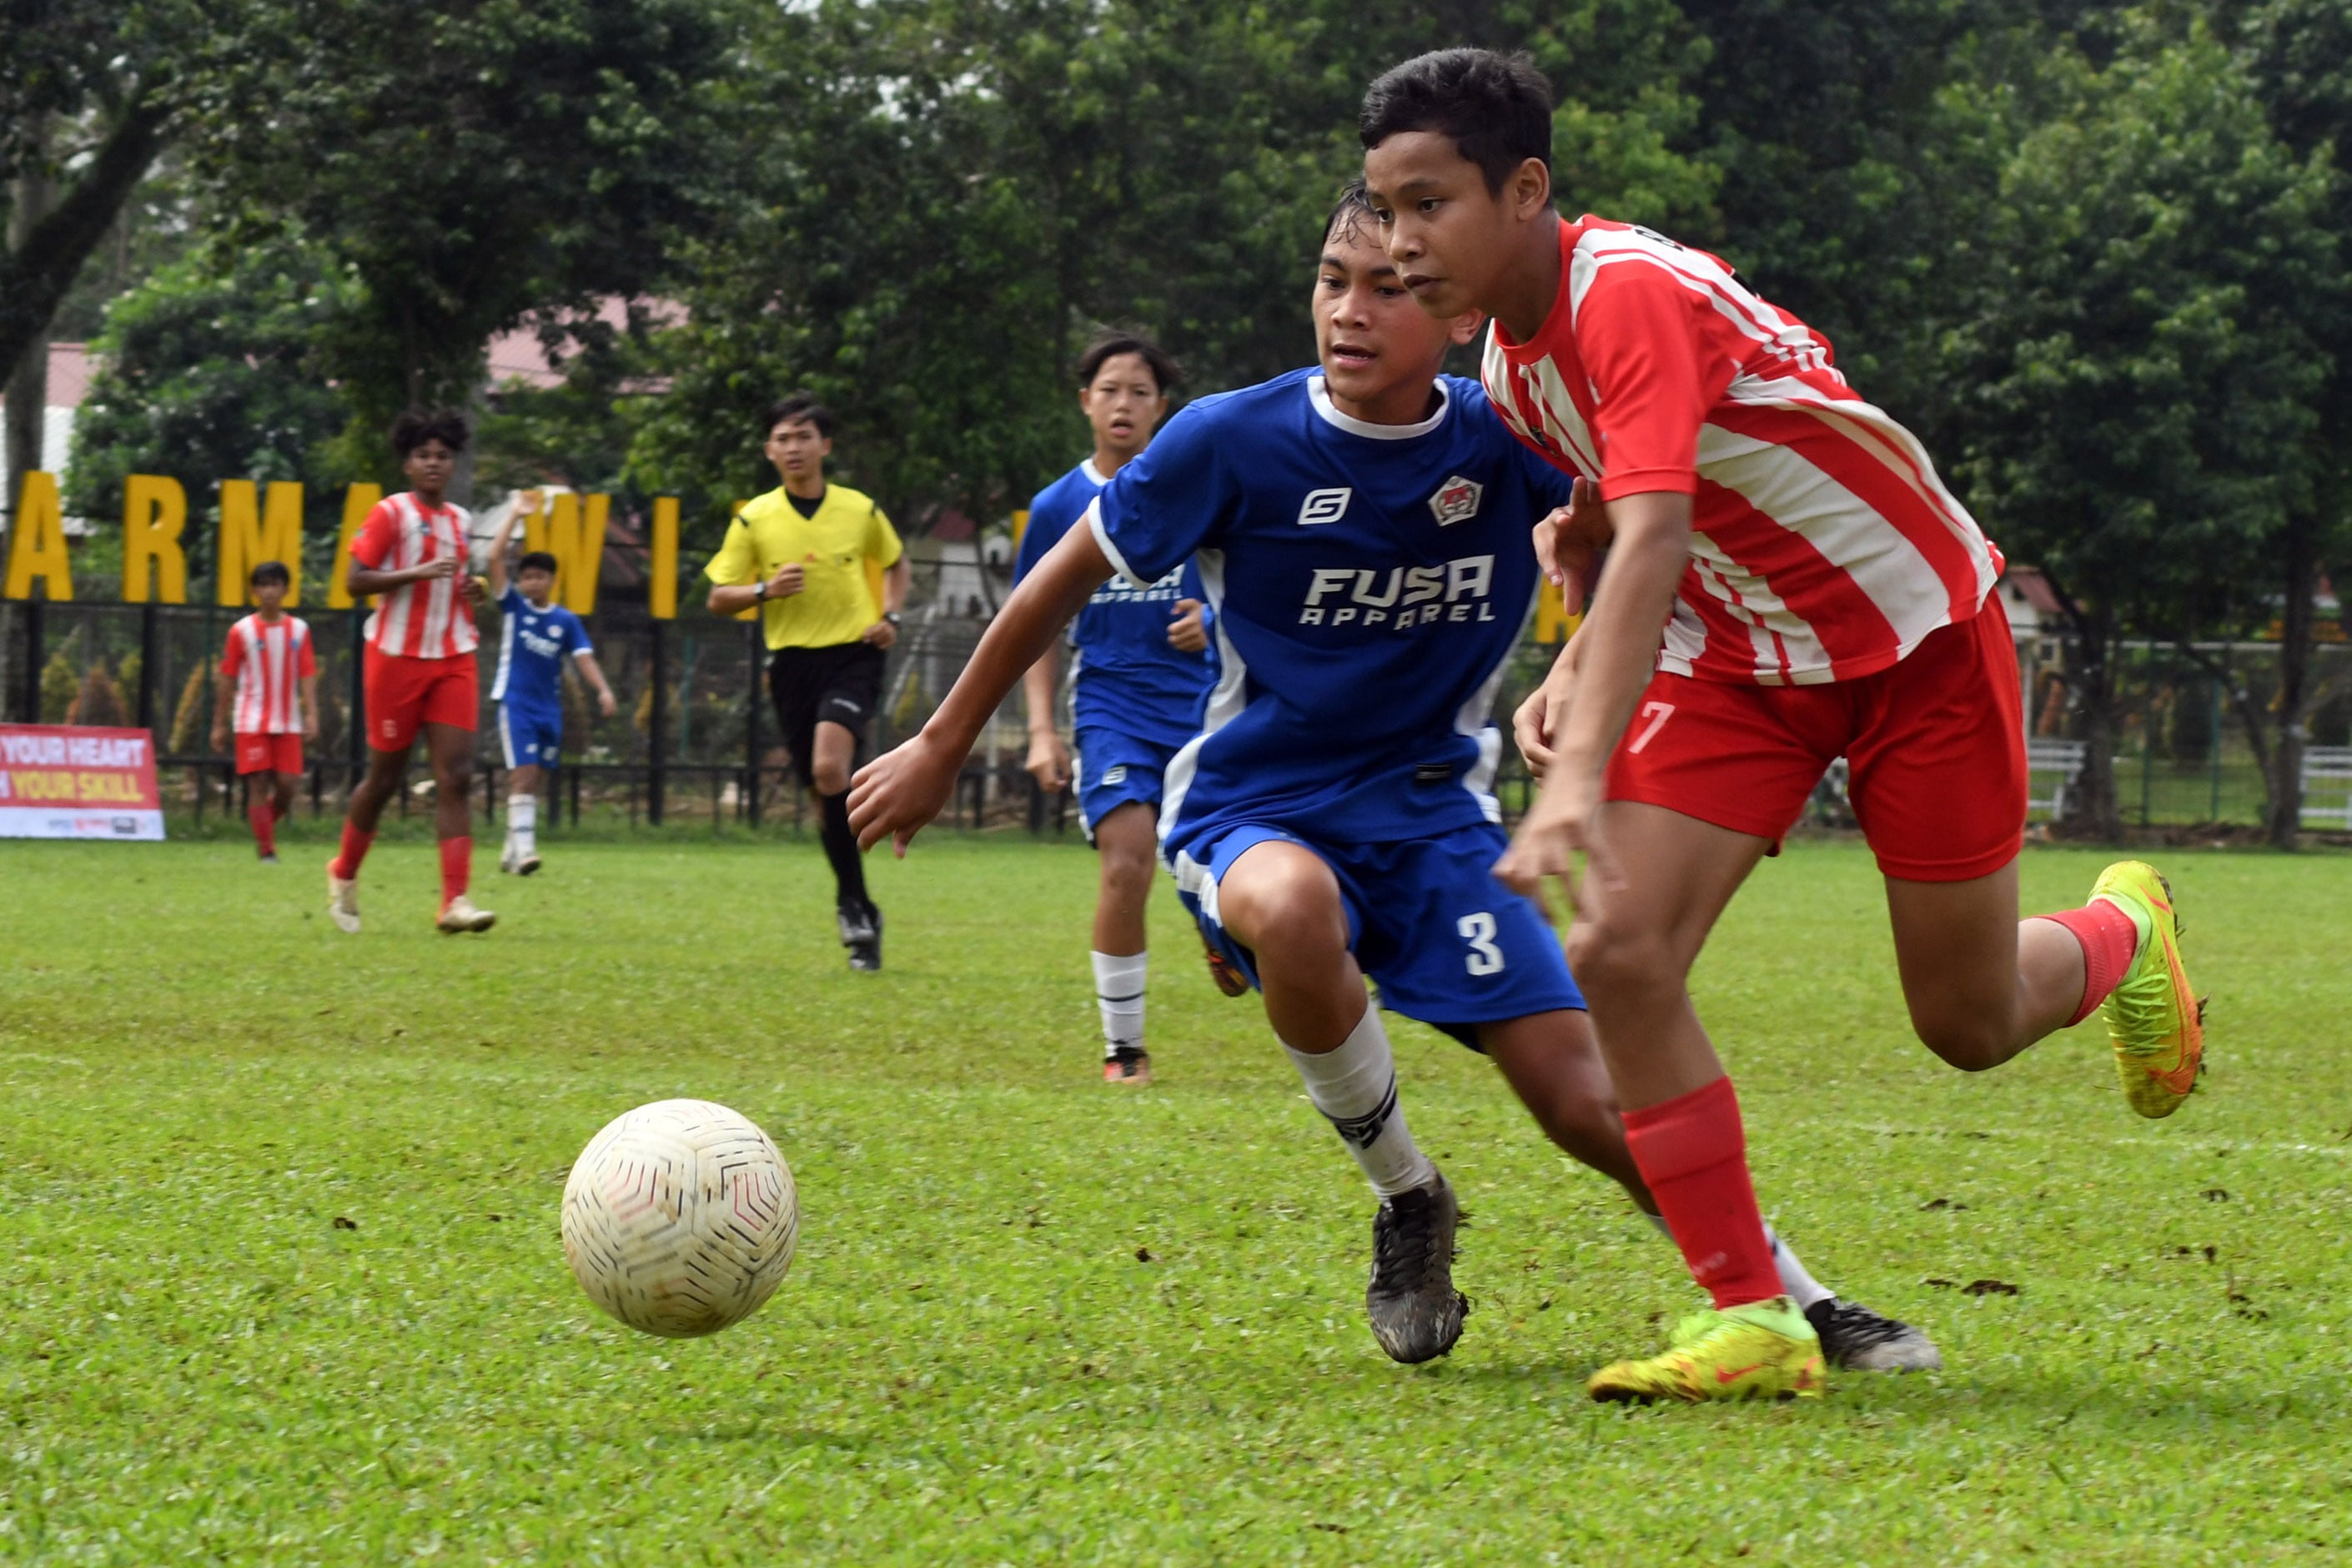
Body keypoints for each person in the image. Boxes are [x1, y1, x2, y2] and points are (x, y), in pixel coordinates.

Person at [850, 189, 1937, 1374]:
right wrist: (945, 742)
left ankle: (1801, 1300)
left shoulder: (1511, 440)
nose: (1350, 313)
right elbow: (1062, 573)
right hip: (1251, 806)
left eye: (1392, 289)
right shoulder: (1231, 438)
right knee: (1293, 908)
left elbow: (1649, 538)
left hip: (1434, 820)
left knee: (1581, 1098)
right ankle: (1408, 1193)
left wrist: (1576, 637)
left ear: (1463, 315)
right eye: (1332, 281)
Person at [1359, 48, 2204, 1402]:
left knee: (1969, 1021)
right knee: (1619, 948)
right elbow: (1600, 520)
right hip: (1749, 664)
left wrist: (1577, 764)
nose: (1400, 245)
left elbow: (1660, 528)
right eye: (1382, 210)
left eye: (1428, 206)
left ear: (1524, 190)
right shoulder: (1515, 373)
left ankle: (2125, 935)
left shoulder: (1621, 292)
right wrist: (1576, 660)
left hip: (1918, 634)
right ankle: (1751, 1315)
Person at [1014, 333, 1218, 1085]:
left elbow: (1258, 590)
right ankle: (1123, 1048)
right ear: (1085, 403)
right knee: (1126, 857)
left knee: (1214, 863)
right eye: (1109, 389)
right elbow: (1028, 627)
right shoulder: (1058, 506)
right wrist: (1041, 731)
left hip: (1205, 708)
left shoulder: (1201, 491)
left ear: (1162, 407)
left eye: (1139, 391)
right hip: (1110, 707)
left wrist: (1214, 624)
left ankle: (1219, 928)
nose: (1123, 403)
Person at [705, 395, 911, 971]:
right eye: (783, 438)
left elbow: (896, 563)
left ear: (826, 445)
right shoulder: (755, 519)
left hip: (853, 655)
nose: (793, 447)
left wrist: (890, 617)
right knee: (826, 800)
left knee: (828, 768)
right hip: (792, 665)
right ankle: (859, 906)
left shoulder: (859, 510)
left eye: (804, 436)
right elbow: (718, 596)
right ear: (769, 450)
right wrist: (763, 591)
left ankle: (851, 905)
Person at [326, 409, 496, 936]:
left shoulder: (462, 522)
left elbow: (460, 583)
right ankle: (344, 871)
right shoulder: (389, 514)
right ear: (407, 463)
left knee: (458, 776)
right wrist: (416, 572)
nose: (433, 464)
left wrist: (477, 590)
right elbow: (355, 582)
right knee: (385, 779)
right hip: (395, 658)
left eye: (442, 456)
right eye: (423, 455)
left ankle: (454, 901)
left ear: (453, 462)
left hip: (453, 657)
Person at [485, 496, 619, 874]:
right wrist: (513, 515)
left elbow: (583, 658)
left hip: (550, 709)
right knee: (523, 775)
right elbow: (494, 561)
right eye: (527, 576)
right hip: (516, 704)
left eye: (539, 577)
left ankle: (512, 850)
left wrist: (603, 689)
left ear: (551, 581)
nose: (532, 583)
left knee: (537, 780)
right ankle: (527, 849)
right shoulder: (514, 607)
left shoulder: (565, 620)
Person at [210, 560, 317, 863]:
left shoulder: (299, 629)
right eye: (263, 585)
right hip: (251, 720)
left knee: (287, 787)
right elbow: (228, 678)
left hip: (288, 722)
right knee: (257, 783)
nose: (269, 591)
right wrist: (219, 724)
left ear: (286, 589)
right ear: (254, 591)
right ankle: (267, 850)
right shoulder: (240, 631)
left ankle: (262, 825)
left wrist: (312, 714)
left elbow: (307, 673)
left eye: (275, 584)